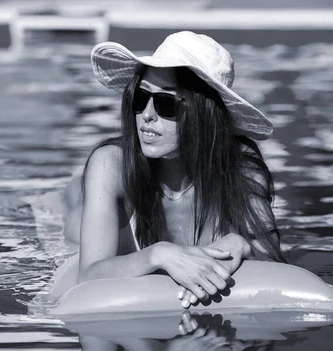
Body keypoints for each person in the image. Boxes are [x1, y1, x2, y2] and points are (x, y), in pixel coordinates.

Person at [61, 31, 286, 309]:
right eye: (140, 98)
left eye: (166, 103)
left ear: (204, 114)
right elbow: (89, 275)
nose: (147, 115)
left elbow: (275, 269)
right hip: (96, 204)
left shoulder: (242, 169)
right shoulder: (111, 166)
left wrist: (242, 243)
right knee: (72, 220)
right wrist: (157, 254)